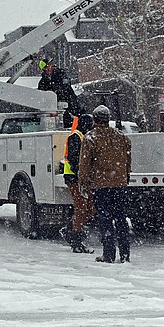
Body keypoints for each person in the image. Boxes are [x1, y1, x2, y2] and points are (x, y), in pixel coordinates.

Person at [78, 105, 132, 263]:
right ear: (108, 119)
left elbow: (84, 164)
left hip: (102, 185)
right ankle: (125, 254)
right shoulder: (121, 136)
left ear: (94, 119)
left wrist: (83, 182)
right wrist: (125, 176)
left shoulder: (90, 138)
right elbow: (128, 159)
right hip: (120, 184)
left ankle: (108, 254)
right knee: (121, 220)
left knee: (105, 219)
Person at [61, 113, 95, 254]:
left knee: (89, 207)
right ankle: (76, 238)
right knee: (81, 206)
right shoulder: (76, 137)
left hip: (80, 177)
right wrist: (82, 177)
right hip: (74, 177)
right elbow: (75, 160)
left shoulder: (82, 137)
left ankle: (71, 229)